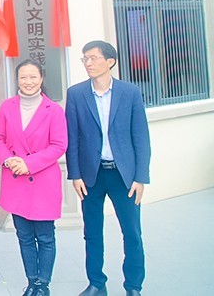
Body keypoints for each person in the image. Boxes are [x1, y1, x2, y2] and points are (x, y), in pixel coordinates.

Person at [66, 41, 151, 296]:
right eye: (85, 58)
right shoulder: (76, 94)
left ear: (110, 62)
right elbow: (73, 138)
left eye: (93, 58)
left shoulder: (130, 92)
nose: (88, 63)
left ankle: (133, 286)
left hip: (124, 176)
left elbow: (141, 137)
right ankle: (96, 283)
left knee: (132, 233)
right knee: (92, 232)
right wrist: (75, 174)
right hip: (91, 175)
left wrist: (140, 177)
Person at [0, 59, 68, 296]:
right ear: (17, 79)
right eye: (23, 77)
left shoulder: (53, 110)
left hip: (43, 181)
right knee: (24, 236)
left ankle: (43, 284)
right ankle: (32, 282)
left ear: (41, 78)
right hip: (16, 180)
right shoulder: (7, 107)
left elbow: (59, 145)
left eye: (33, 77)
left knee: (45, 237)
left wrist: (28, 163)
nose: (28, 82)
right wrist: (8, 160)